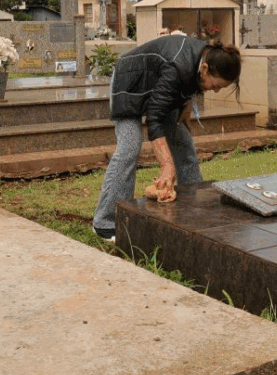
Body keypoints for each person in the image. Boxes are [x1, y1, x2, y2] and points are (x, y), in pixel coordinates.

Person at [91, 34, 241, 242]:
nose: (215, 90)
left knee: (183, 143)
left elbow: (183, 85)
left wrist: (185, 106)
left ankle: (194, 207)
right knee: (129, 148)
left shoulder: (205, 57)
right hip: (130, 83)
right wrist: (166, 166)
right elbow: (154, 119)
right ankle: (106, 222)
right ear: (205, 69)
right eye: (216, 85)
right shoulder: (178, 66)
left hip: (158, 87)